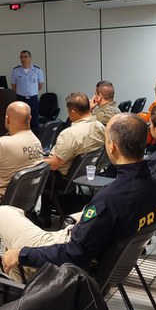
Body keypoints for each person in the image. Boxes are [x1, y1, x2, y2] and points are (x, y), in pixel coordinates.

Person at [0, 113, 156, 281]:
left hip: (73, 265)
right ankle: (24, 289)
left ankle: (25, 291)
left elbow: (73, 254)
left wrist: (22, 254)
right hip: (103, 258)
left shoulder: (109, 198)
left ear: (112, 146)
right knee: (14, 236)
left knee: (3, 213)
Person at [38, 92, 106, 227]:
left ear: (73, 112)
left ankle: (43, 216)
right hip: (81, 175)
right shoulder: (99, 126)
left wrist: (36, 160)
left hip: (61, 179)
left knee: (38, 170)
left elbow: (54, 165)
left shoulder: (70, 134)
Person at [0, 101, 43, 215]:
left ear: (7, 119)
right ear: (29, 118)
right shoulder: (36, 142)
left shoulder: (2, 144)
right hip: (23, 202)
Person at [10, 50, 44, 134]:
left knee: (34, 120)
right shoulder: (15, 71)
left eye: (25, 57)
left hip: (33, 99)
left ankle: (35, 138)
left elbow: (40, 86)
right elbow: (14, 86)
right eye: (21, 57)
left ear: (30, 58)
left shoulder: (37, 70)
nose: (23, 59)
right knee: (21, 120)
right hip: (21, 99)